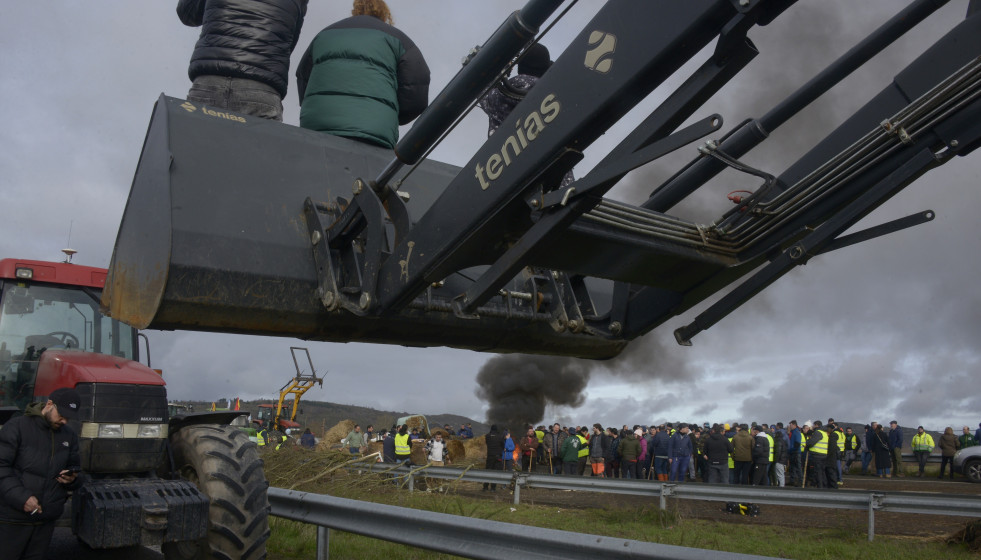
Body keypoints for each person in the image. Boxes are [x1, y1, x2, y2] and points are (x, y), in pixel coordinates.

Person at [296, 0, 430, 149]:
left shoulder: (324, 35)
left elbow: (303, 79)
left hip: (317, 126)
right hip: (375, 129)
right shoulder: (399, 39)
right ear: (384, 13)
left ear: (356, 10)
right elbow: (417, 89)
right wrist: (392, 114)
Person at [177, 0, 308, 122]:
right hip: (261, 88)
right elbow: (289, 42)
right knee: (261, 146)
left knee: (193, 143)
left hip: (210, 80)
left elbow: (187, 13)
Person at [477, 43, 574, 189]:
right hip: (559, 182)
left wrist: (498, 69)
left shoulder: (507, 91)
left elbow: (483, 94)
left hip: (512, 176)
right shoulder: (556, 96)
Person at [0, 388, 83, 560]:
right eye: (62, 414)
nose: (64, 421)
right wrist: (21, 498)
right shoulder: (16, 427)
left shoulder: (70, 436)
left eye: (69, 417)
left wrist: (73, 479)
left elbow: (78, 471)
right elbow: (1, 467)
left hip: (45, 521)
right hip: (12, 520)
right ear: (49, 404)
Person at [483, 425, 504, 491]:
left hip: (490, 456)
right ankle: (493, 488)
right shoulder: (500, 436)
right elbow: (503, 445)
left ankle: (485, 487)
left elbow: (487, 443)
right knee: (495, 472)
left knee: (488, 472)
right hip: (498, 456)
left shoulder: (487, 436)